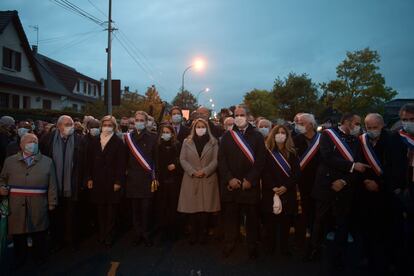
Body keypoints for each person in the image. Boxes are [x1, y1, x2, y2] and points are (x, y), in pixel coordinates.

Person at [308, 113, 367, 269]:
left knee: (342, 222)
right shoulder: (328, 135)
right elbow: (327, 157)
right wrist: (351, 166)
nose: (358, 127)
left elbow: (359, 163)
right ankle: (315, 249)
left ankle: (338, 255)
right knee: (320, 219)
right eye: (356, 123)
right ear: (347, 122)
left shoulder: (355, 140)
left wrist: (344, 181)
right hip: (325, 185)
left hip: (344, 186)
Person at [0, 133, 57, 267]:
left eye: (35, 141)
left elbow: (52, 184)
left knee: (39, 234)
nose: (33, 144)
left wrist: (52, 201)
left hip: (39, 203)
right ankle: (20, 258)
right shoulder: (10, 161)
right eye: (29, 141)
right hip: (16, 204)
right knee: (18, 235)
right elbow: (2, 179)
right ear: (21, 145)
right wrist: (1, 188)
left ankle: (40, 258)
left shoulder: (47, 161)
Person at [218, 105, 266, 259]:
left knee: (251, 219)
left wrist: (250, 180)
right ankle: (229, 244)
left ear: (248, 116)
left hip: (249, 186)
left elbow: (260, 161)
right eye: (236, 115)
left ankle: (252, 246)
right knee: (231, 218)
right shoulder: (227, 136)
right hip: (231, 185)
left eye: (241, 115)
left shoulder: (257, 136)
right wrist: (229, 178)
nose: (238, 117)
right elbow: (221, 160)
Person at [40, 115, 85, 251]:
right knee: (55, 215)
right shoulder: (47, 139)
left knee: (71, 215)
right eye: (67, 124)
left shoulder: (79, 140)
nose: (70, 127)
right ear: (59, 126)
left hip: (72, 184)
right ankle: (56, 241)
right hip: (54, 185)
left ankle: (70, 240)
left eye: (71, 124)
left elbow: (83, 163)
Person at [355, 113, 391, 273]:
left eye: (374, 127)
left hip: (385, 193)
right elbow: (357, 162)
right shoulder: (362, 141)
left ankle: (385, 261)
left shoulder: (392, 140)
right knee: (366, 228)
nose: (371, 130)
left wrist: (379, 184)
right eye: (368, 127)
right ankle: (366, 257)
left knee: (385, 230)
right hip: (365, 191)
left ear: (382, 125)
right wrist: (365, 181)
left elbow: (395, 168)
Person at [178, 118, 220, 244]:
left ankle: (203, 234)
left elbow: (216, 160)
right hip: (191, 178)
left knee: (205, 210)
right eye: (198, 126)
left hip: (207, 178)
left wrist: (205, 171)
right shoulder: (187, 141)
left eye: (203, 126)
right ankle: (193, 234)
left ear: (207, 128)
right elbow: (182, 159)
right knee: (192, 209)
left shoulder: (213, 142)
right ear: (194, 128)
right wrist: (192, 171)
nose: (200, 129)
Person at [86, 115, 126, 247]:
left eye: (110, 125)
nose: (107, 127)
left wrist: (118, 182)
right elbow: (89, 162)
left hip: (112, 181)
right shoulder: (94, 141)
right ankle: (101, 234)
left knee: (111, 211)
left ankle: (109, 235)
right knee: (100, 210)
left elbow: (121, 164)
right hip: (97, 180)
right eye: (105, 124)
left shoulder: (118, 142)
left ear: (114, 127)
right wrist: (89, 178)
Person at [261, 125, 300, 256]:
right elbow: (264, 172)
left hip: (287, 191)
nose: (281, 135)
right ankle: (269, 247)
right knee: (270, 223)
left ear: (287, 136)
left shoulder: (293, 152)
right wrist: (273, 187)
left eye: (283, 133)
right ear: (273, 135)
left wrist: (285, 187)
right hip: (270, 190)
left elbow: (296, 173)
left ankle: (284, 248)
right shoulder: (266, 151)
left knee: (285, 223)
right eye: (278, 132)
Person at [388, 103, 414, 274]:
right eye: (404, 119)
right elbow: (388, 166)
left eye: (411, 119)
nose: (407, 123)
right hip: (403, 191)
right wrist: (396, 189)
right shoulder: (395, 138)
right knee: (403, 233)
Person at [125, 111, 157, 247]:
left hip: (146, 179)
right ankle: (137, 234)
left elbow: (156, 159)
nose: (139, 122)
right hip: (132, 179)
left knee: (147, 210)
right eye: (136, 120)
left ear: (145, 122)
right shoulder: (128, 138)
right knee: (135, 210)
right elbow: (124, 159)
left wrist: (155, 177)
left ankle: (146, 234)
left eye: (141, 120)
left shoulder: (153, 138)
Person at [293, 113, 321, 252]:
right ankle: (302, 239)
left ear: (311, 124)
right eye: (298, 123)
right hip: (302, 182)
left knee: (317, 212)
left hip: (319, 181)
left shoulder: (322, 140)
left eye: (302, 123)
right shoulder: (296, 140)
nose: (299, 126)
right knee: (303, 211)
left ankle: (316, 240)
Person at [155, 124, 182, 241]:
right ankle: (163, 229)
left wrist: (175, 164)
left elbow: (182, 159)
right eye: (164, 132)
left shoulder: (177, 145)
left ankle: (174, 230)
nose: (166, 134)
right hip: (161, 179)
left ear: (172, 134)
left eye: (168, 132)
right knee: (162, 205)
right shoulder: (157, 146)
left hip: (174, 180)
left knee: (173, 206)